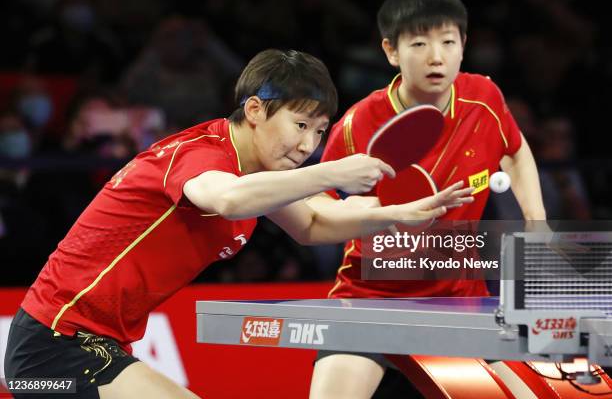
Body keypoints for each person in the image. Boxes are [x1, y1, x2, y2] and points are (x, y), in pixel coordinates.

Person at [3, 49, 474, 399]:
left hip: (95, 344)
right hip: (52, 347)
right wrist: (333, 170)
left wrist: (397, 214)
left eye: (320, 131)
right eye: (300, 125)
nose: (309, 143)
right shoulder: (201, 156)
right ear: (254, 110)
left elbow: (312, 221)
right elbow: (226, 200)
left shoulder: (262, 176)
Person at [308, 0, 547, 399]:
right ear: (391, 51)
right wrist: (367, 213)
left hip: (460, 305)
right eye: (418, 43)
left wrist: (537, 221)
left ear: (463, 45)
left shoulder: (483, 99)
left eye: (447, 41)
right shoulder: (358, 124)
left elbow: (516, 149)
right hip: (369, 301)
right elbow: (316, 209)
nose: (436, 56)